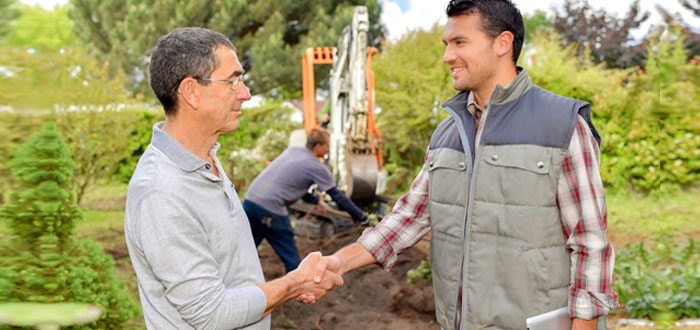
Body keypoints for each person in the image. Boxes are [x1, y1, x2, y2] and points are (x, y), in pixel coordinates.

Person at [311, 1, 619, 329]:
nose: (447, 56)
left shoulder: (562, 124)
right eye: (447, 45)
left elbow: (591, 243)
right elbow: (409, 216)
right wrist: (338, 261)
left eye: (460, 43)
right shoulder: (449, 130)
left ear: (502, 43)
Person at [124, 27, 342, 330]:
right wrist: (295, 283)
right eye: (233, 81)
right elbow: (211, 314)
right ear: (191, 91)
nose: (245, 94)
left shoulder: (205, 156)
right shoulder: (161, 192)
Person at [244, 128, 369, 273]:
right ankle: (299, 291)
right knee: (291, 258)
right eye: (326, 146)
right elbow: (336, 195)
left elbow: (294, 183)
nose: (328, 149)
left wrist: (316, 202)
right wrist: (361, 217)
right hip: (271, 208)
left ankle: (236, 286)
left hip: (250, 201)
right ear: (317, 147)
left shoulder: (293, 151)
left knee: (248, 249)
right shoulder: (316, 166)